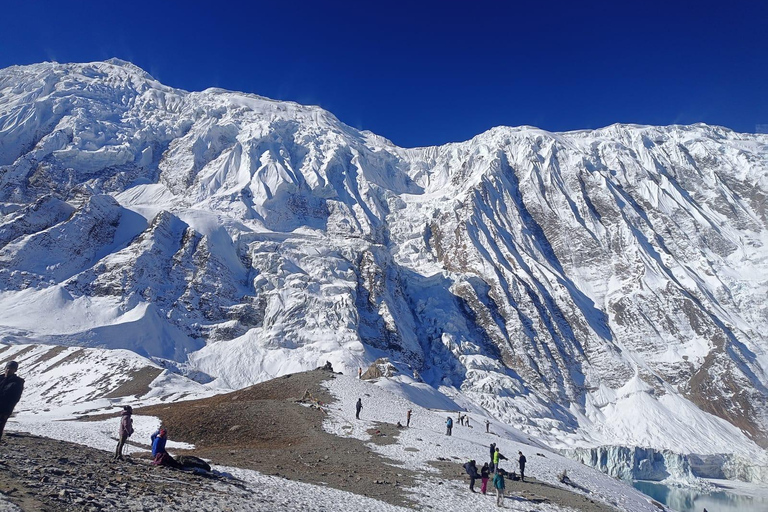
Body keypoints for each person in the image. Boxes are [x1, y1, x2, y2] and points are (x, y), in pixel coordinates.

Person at [0, 361, 24, 442]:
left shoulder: (17, 382)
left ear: (15, 370)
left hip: (3, 411)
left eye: (11, 368)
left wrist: (6, 411)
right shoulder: (1, 379)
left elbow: (15, 398)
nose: (8, 370)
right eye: (7, 368)